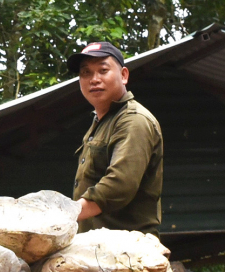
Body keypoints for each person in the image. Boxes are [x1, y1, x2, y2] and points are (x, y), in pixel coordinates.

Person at [68, 41, 163, 237]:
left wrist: (66, 214)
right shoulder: (101, 122)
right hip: (97, 249)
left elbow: (120, 185)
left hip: (128, 252)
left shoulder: (133, 120)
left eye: (103, 70)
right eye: (86, 73)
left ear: (124, 75)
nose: (94, 79)